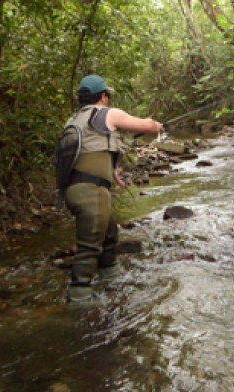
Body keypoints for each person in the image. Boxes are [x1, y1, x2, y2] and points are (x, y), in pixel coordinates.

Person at [64, 74, 163, 303]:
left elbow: (90, 154)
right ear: (103, 97)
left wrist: (114, 173)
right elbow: (145, 126)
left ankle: (110, 275)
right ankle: (79, 296)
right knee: (89, 245)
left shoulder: (73, 119)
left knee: (109, 234)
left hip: (75, 190)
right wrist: (155, 126)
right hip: (91, 192)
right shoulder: (107, 112)